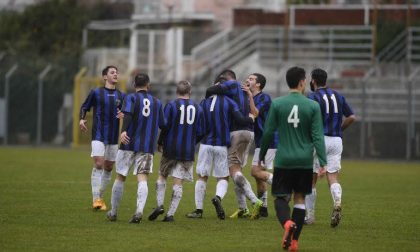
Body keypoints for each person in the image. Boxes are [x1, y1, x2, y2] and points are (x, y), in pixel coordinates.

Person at [259, 66, 327, 251]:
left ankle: (287, 224)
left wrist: (261, 156)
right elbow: (318, 136)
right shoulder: (313, 106)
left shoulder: (278, 104)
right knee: (299, 199)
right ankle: (295, 241)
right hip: (304, 161)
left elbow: (267, 133)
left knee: (281, 198)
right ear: (301, 82)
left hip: (284, 160)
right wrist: (323, 162)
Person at [186, 76, 255, 220]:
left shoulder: (204, 102)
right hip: (221, 144)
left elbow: (199, 128)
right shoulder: (230, 102)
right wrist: (250, 118)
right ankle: (217, 197)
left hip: (205, 144)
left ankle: (198, 210)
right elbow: (240, 120)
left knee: (202, 177)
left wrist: (193, 143)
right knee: (222, 177)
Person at [106, 73, 165, 223]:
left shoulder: (131, 98)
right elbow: (163, 125)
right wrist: (160, 141)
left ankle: (113, 212)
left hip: (128, 143)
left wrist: (123, 131)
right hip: (146, 146)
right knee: (142, 178)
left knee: (120, 177)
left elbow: (128, 115)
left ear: (134, 85)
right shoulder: (157, 102)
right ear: (148, 85)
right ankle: (139, 211)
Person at [205, 69, 262, 220]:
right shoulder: (244, 91)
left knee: (234, 171)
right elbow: (255, 113)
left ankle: (255, 201)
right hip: (249, 133)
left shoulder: (232, 85)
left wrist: (207, 99)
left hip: (236, 132)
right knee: (239, 171)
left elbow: (211, 89)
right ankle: (243, 209)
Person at [148, 80, 205, 222]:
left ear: (176, 92)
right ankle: (170, 214)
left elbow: (164, 126)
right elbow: (201, 131)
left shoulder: (172, 106)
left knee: (162, 175)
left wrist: (160, 142)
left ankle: (160, 205)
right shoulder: (198, 108)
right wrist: (192, 142)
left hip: (171, 148)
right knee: (178, 181)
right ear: (190, 92)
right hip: (187, 151)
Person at [305, 68, 355, 227]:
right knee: (332, 177)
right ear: (325, 80)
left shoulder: (312, 97)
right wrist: (339, 129)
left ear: (313, 80)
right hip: (336, 140)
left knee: (310, 180)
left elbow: (308, 119)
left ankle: (310, 217)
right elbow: (352, 117)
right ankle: (337, 201)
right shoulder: (338, 96)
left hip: (319, 141)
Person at [79, 65, 125, 211]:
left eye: (117, 72)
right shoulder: (96, 92)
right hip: (98, 134)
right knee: (99, 163)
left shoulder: (121, 95)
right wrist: (82, 119)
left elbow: (126, 112)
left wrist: (123, 114)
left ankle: (100, 196)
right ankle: (96, 199)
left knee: (109, 166)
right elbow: (84, 107)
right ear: (105, 77)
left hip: (113, 136)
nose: (115, 74)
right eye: (112, 72)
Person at [242, 73, 278, 218]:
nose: (247, 80)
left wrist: (249, 96)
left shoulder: (264, 97)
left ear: (258, 85)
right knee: (258, 177)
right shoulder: (249, 97)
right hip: (260, 141)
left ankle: (282, 186)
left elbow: (255, 113)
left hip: (268, 141)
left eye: (251, 79)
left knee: (255, 172)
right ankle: (263, 209)